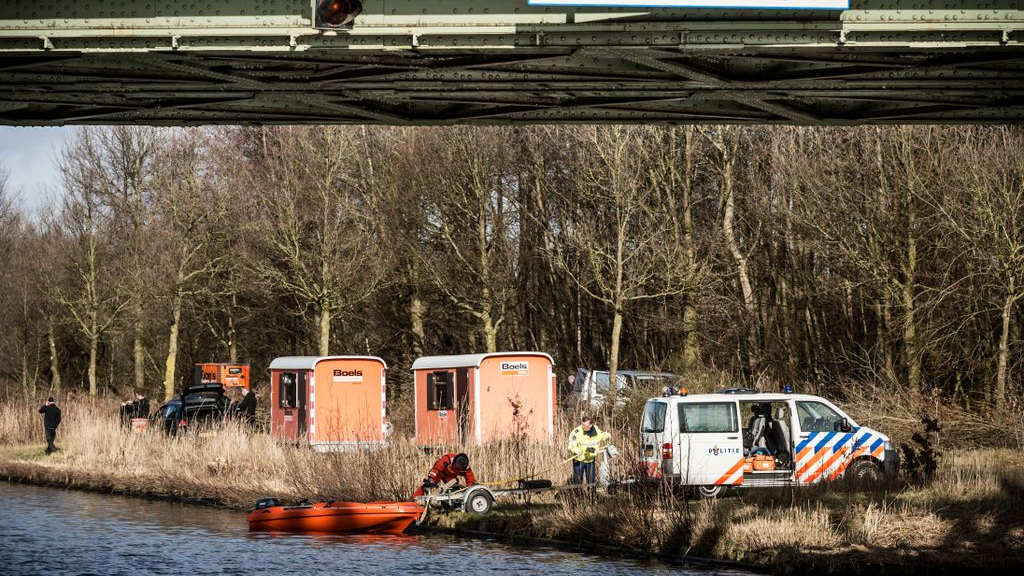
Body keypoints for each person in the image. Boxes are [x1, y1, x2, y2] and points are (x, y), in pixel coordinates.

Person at [567, 416, 611, 485]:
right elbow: (571, 445)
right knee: (577, 482)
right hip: (579, 460)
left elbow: (602, 435)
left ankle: (591, 495)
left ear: (591, 425)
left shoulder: (596, 430)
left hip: (590, 460)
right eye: (582, 424)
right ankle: (577, 495)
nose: (583, 426)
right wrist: (576, 450)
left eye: (585, 425)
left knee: (591, 482)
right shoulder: (576, 432)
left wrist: (607, 436)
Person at [412, 453, 476, 498]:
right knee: (428, 485)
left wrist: (471, 487)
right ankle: (414, 498)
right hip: (440, 473)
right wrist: (431, 478)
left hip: (450, 477)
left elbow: (470, 478)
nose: (457, 469)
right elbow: (436, 468)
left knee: (454, 488)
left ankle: (452, 505)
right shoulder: (447, 458)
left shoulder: (466, 468)